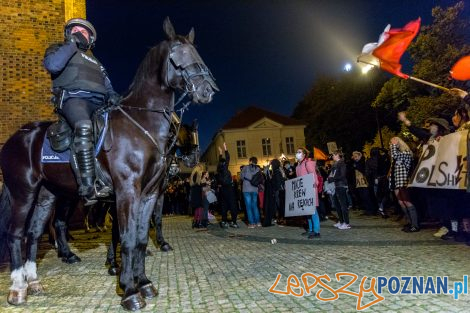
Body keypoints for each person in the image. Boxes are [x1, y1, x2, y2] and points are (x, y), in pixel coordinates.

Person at [43, 18, 120, 205]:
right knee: (84, 126)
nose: (79, 33)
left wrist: (113, 96)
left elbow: (107, 85)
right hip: (74, 99)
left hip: (99, 105)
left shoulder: (96, 62)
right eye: (75, 30)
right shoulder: (59, 49)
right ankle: (88, 185)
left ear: (91, 39)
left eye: (84, 32)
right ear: (69, 33)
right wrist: (71, 45)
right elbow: (52, 65)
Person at [389, 137, 419, 232]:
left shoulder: (406, 152)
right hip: (396, 181)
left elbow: (395, 155)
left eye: (392, 143)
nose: (391, 145)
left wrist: (394, 144)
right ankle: (409, 223)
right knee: (401, 202)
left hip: (403, 180)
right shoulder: (398, 154)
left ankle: (415, 225)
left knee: (407, 202)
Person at [295, 147, 320, 238]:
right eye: (297, 152)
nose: (297, 153)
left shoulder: (307, 163)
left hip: (310, 190)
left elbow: (313, 176)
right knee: (307, 210)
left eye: (299, 152)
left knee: (313, 211)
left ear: (304, 154)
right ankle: (310, 229)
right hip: (303, 191)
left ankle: (316, 231)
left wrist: (314, 187)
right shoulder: (298, 165)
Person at [215, 142, 239, 228]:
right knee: (233, 205)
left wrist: (220, 153)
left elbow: (220, 162)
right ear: (224, 164)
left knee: (224, 205)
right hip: (229, 189)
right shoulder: (225, 169)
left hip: (223, 190)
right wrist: (225, 149)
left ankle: (224, 221)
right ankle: (234, 222)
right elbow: (228, 158)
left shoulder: (218, 171)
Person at [328, 150, 351, 230]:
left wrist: (333, 179)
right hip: (336, 186)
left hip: (341, 185)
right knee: (337, 205)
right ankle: (341, 221)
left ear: (337, 155)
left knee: (343, 205)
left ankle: (347, 223)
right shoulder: (335, 164)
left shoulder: (342, 163)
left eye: (333, 155)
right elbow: (332, 174)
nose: (332, 156)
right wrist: (330, 178)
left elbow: (342, 175)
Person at [241, 157, 262, 228]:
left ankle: (252, 223)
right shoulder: (258, 169)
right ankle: (258, 222)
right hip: (255, 189)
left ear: (250, 161)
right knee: (255, 206)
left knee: (248, 207)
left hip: (246, 189)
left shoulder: (245, 168)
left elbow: (241, 177)